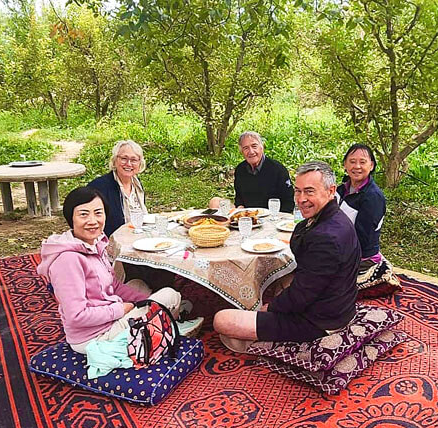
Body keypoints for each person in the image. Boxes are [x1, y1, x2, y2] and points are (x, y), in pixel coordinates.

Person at [37, 187, 187, 376]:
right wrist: (123, 309)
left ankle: (159, 316)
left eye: (98, 213)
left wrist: (146, 301)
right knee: (170, 294)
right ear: (71, 218)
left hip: (106, 312)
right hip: (94, 337)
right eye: (84, 214)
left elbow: (113, 286)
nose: (92, 221)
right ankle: (169, 323)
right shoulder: (68, 260)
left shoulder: (93, 243)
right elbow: (76, 315)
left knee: (139, 284)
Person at [213, 161, 360, 346]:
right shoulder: (329, 217)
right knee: (279, 278)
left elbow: (301, 296)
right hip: (331, 302)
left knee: (222, 319)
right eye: (298, 191)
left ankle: (269, 342)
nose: (301, 199)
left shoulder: (327, 237)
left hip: (319, 321)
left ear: (331, 191)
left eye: (309, 191)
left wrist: (270, 308)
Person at [208, 131, 294, 213]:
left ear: (262, 147)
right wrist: (240, 207)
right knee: (215, 202)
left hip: (270, 216)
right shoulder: (240, 169)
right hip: (246, 215)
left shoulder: (278, 169)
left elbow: (289, 202)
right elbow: (239, 198)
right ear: (242, 151)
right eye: (246, 148)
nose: (251, 152)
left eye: (254, 146)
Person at [337, 143, 386, 264]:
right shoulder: (341, 189)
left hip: (360, 257)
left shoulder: (373, 197)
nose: (357, 166)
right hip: (338, 248)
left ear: (372, 165)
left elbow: (362, 238)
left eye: (362, 162)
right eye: (352, 161)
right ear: (345, 164)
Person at [88, 140, 147, 237]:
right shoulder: (99, 187)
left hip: (137, 235)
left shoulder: (136, 184)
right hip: (111, 241)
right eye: (124, 158)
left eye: (134, 160)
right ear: (115, 160)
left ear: (140, 163)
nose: (128, 164)